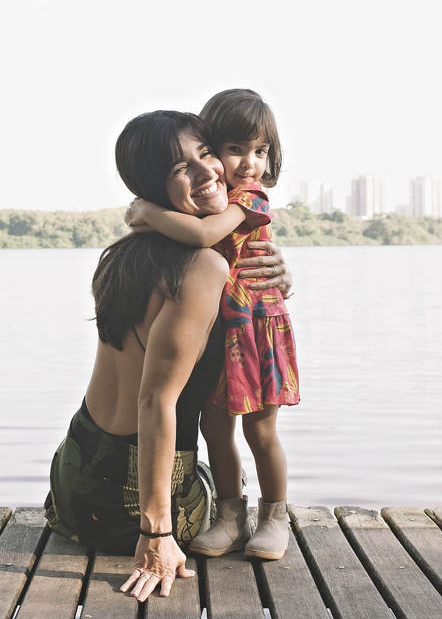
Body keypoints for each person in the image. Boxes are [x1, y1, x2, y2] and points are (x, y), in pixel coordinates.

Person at [44, 109, 294, 602]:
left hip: (70, 483)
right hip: (128, 505)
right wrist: (156, 535)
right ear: (153, 188)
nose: (208, 171)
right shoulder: (201, 266)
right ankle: (261, 514)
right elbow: (153, 402)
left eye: (206, 154)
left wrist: (279, 278)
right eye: (182, 168)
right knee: (217, 478)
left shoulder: (123, 255)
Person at [124, 89, 298, 561]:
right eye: (235, 149)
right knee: (215, 429)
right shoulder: (210, 196)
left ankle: (275, 517)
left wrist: (147, 212)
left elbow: (202, 234)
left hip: (257, 328)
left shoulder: (250, 199)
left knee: (260, 432)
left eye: (260, 151)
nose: (249, 163)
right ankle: (230, 517)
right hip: (223, 332)